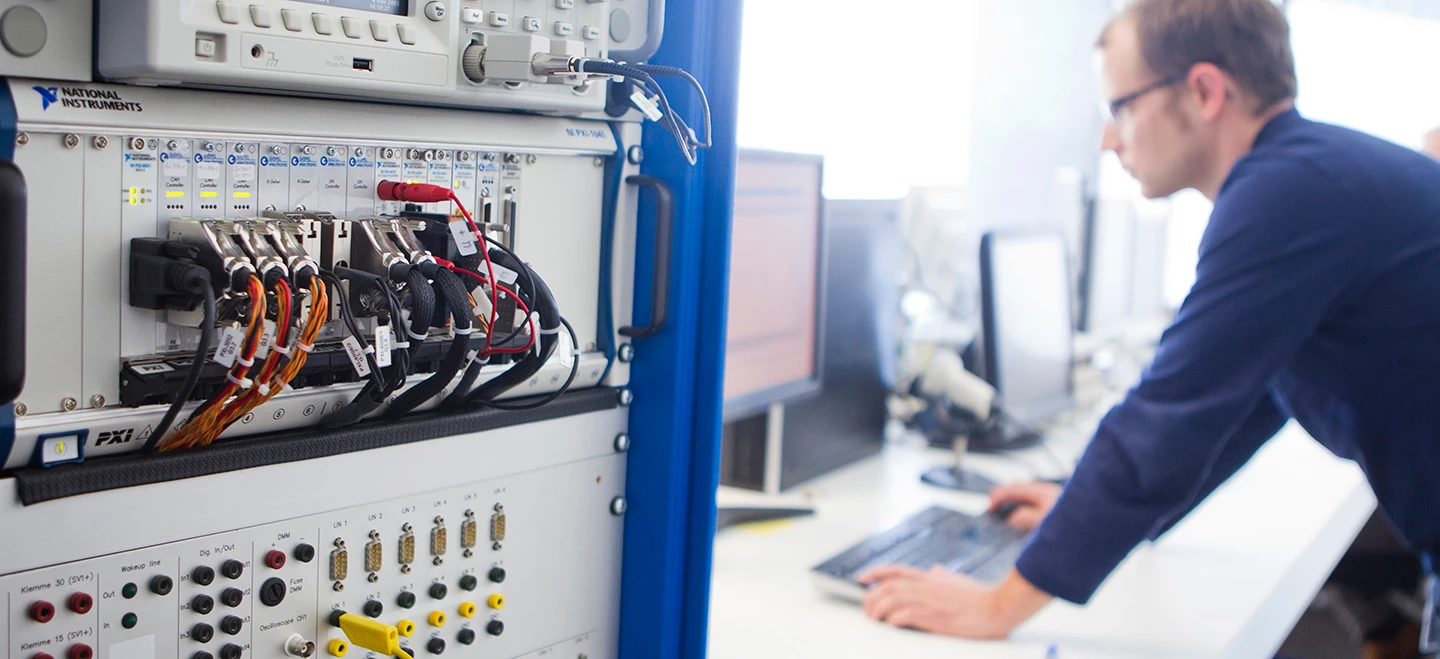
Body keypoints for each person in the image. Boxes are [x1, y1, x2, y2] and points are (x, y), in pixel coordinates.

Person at [858, 0, 1440, 642]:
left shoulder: (1289, 191)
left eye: (1121, 107)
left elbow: (1171, 415)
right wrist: (1085, 514)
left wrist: (998, 606)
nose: (1108, 139)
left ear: (1204, 91)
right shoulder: (1312, 175)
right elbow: (1242, 404)